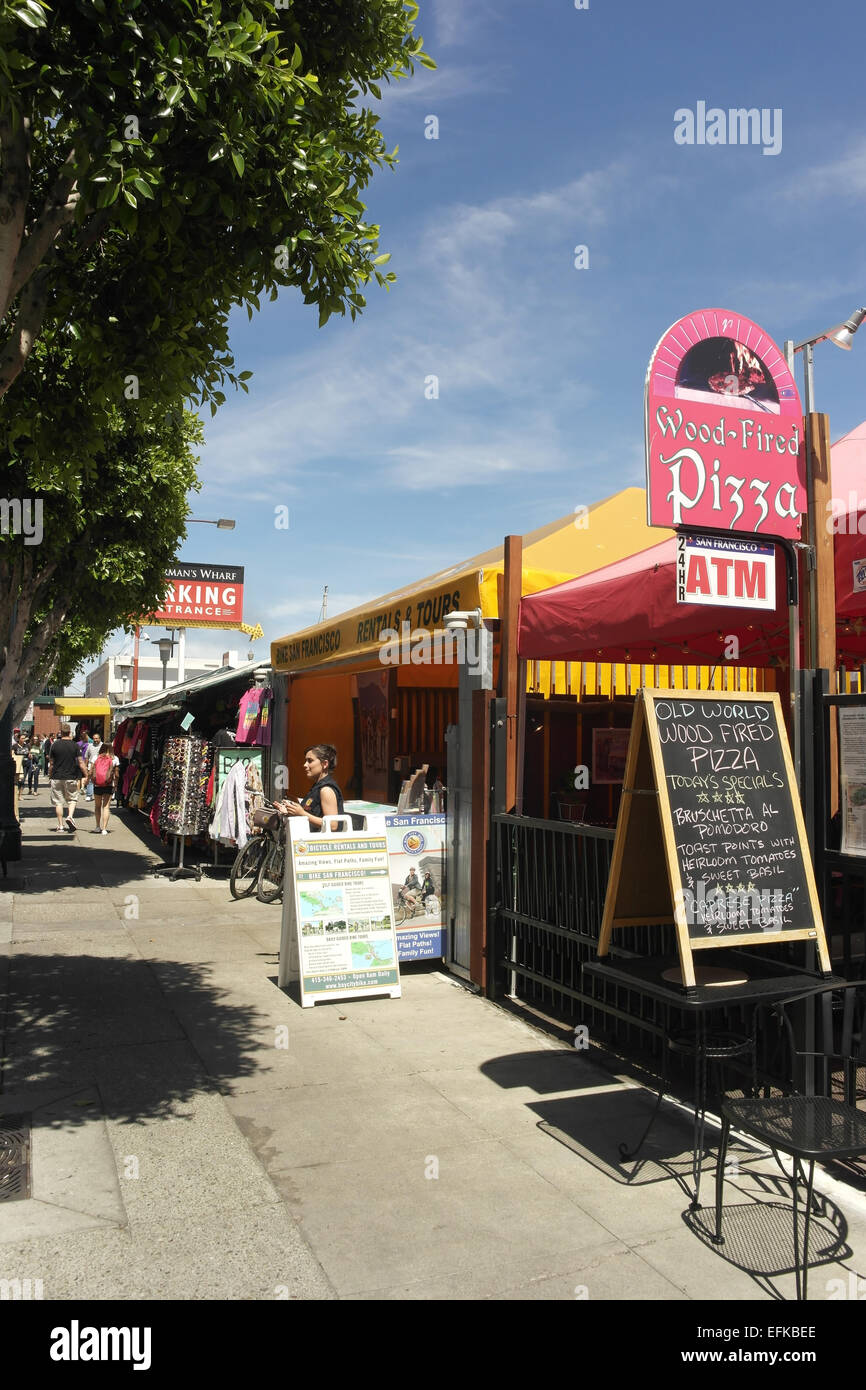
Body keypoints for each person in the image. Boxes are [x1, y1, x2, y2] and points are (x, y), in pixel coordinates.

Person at [278, 743, 344, 832]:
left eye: (310, 761)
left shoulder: (326, 790)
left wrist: (301, 813)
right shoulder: (317, 786)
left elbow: (332, 825)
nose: (305, 765)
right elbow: (310, 813)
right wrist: (291, 810)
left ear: (325, 764)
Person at [48, 725, 88, 832]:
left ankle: (60, 826)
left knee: (58, 802)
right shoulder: (74, 745)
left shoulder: (54, 745)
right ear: (70, 732)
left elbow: (51, 763)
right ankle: (70, 816)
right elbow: (80, 762)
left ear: (61, 732)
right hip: (71, 776)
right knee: (72, 799)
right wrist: (86, 774)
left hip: (57, 776)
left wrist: (50, 775)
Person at [88, 736, 120, 835]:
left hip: (97, 785)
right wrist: (116, 785)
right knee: (106, 807)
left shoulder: (96, 757)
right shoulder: (115, 759)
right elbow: (117, 775)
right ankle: (105, 829)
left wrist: (88, 780)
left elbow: (90, 771)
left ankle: (97, 826)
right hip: (108, 784)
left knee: (97, 806)